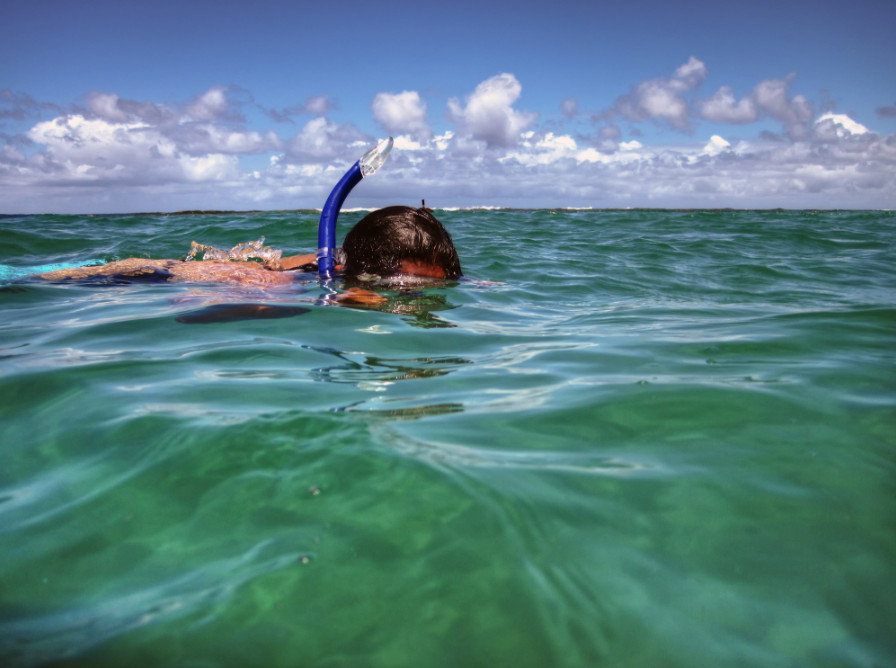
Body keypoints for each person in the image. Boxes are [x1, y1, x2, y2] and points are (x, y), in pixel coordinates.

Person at [35, 205, 462, 290]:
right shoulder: (333, 283)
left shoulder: (346, 271)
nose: (418, 292)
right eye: (408, 284)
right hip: (174, 274)